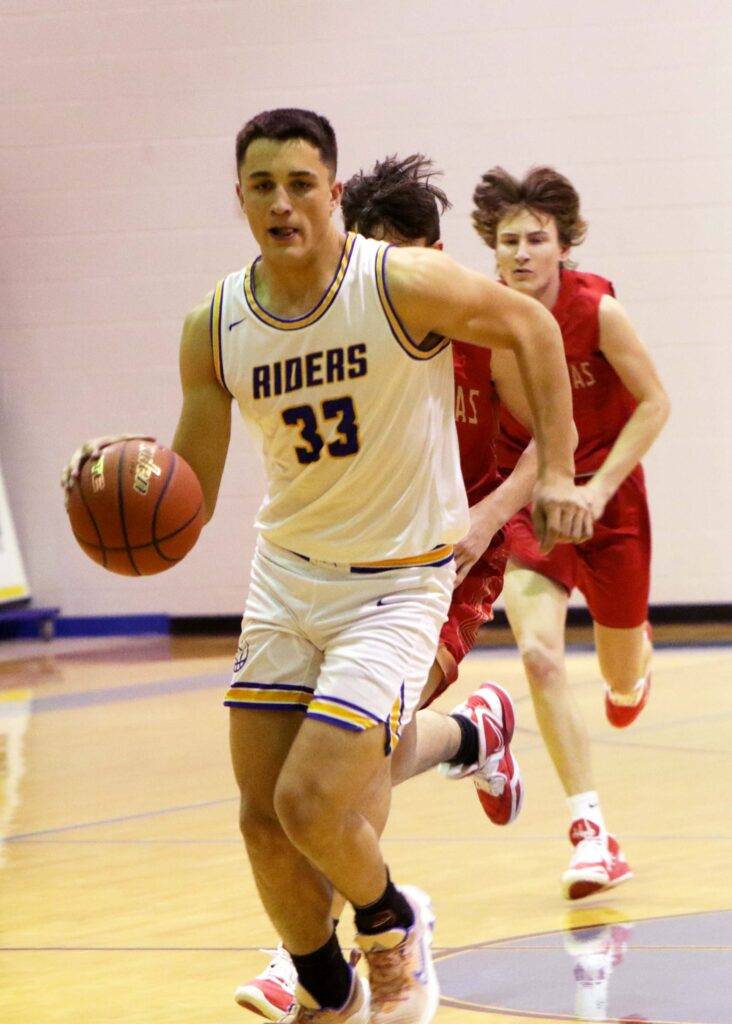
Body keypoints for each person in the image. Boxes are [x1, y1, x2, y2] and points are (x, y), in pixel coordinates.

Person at [62, 111, 589, 1024]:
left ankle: (393, 930)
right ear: (240, 200)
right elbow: (185, 502)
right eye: (262, 186)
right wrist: (119, 482)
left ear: (332, 192)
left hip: (396, 582)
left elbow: (535, 331)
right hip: (287, 578)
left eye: (301, 183)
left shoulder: (398, 283)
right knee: (260, 818)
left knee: (312, 802)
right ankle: (328, 989)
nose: (282, 202)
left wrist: (563, 469)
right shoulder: (216, 324)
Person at [236, 153, 559, 1021]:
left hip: (453, 558)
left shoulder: (471, 331)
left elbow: (541, 448)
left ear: (436, 254)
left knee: (346, 760)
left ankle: (310, 948)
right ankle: (468, 735)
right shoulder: (353, 324)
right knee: (339, 750)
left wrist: (491, 518)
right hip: (371, 558)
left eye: (406, 255)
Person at [472, 166, 670, 900]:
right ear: (491, 249)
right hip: (531, 499)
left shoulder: (598, 312)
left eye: (536, 239)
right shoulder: (483, 320)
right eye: (507, 240)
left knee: (618, 674)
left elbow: (654, 404)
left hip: (608, 497)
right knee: (537, 652)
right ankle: (591, 832)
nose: (521, 252)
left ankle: (635, 667)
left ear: (563, 246)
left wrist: (596, 489)